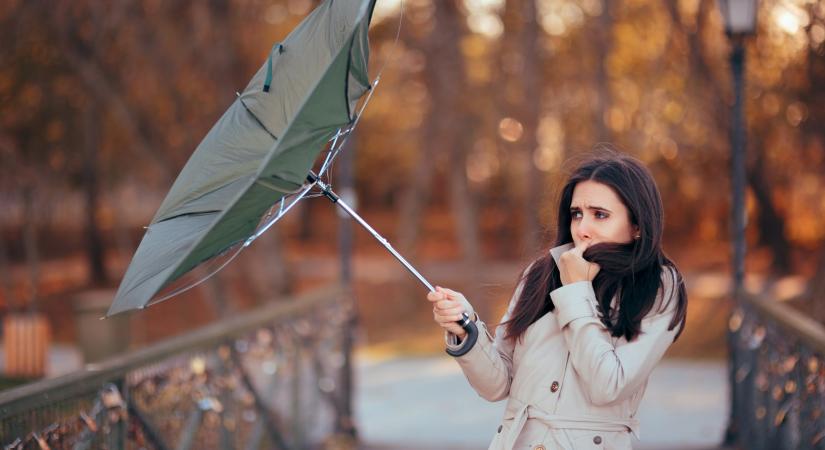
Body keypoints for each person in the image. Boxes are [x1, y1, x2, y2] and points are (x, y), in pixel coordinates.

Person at [428, 151, 688, 450]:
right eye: (577, 213)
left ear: (638, 224)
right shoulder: (541, 273)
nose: (582, 228)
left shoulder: (658, 286)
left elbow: (608, 385)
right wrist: (465, 327)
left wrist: (577, 291)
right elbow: (497, 385)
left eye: (600, 215)